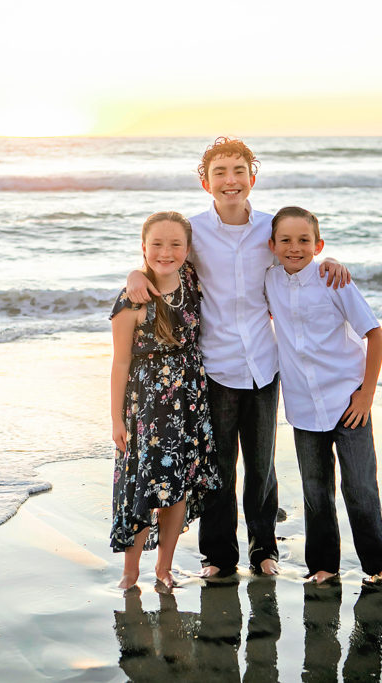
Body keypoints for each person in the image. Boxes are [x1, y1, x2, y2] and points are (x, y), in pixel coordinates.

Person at [126, 137, 350, 578]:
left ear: (252, 176)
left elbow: (300, 253)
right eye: (220, 173)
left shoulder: (270, 229)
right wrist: (135, 272)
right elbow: (161, 259)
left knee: (262, 465)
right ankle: (218, 556)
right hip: (216, 364)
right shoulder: (193, 230)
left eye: (238, 171)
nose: (230, 181)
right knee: (218, 467)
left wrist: (334, 260)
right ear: (205, 182)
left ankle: (264, 550)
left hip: (265, 364)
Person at [264, 206, 382, 585]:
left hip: (348, 400)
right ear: (272, 245)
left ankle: (377, 564)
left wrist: (366, 396)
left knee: (359, 485)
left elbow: (375, 335)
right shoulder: (269, 281)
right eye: (287, 241)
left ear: (318, 244)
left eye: (304, 241)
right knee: (315, 490)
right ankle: (323, 566)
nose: (295, 248)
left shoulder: (333, 279)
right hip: (302, 404)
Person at [110, 211, 220, 590]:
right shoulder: (132, 300)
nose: (166, 251)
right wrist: (116, 420)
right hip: (148, 408)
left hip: (190, 401)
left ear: (188, 251)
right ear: (143, 248)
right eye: (156, 244)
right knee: (145, 488)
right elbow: (121, 362)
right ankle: (130, 571)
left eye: (175, 244)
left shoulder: (192, 282)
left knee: (178, 489)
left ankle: (164, 568)